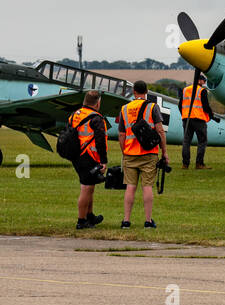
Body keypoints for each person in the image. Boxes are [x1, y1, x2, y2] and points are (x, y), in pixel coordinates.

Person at [116, 81, 169, 229]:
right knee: (147, 187)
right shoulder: (152, 107)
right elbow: (160, 130)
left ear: (133, 92)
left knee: (130, 188)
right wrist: (164, 152)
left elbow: (121, 134)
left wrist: (124, 151)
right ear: (146, 91)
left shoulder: (124, 108)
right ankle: (148, 220)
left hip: (130, 154)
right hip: (149, 154)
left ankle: (126, 221)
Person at [70, 90, 108, 230]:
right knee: (86, 188)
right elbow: (100, 141)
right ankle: (81, 220)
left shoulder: (75, 114)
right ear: (97, 103)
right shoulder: (96, 118)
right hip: (88, 156)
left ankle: (89, 215)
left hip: (76, 155)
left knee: (90, 186)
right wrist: (103, 160)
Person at [179, 77, 215, 170]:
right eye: (204, 81)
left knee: (186, 141)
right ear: (200, 80)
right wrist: (211, 115)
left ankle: (185, 164)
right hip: (198, 119)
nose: (204, 83)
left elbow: (180, 105)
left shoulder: (185, 90)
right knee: (202, 141)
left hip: (186, 119)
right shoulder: (201, 91)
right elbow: (206, 106)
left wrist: (184, 115)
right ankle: (199, 164)